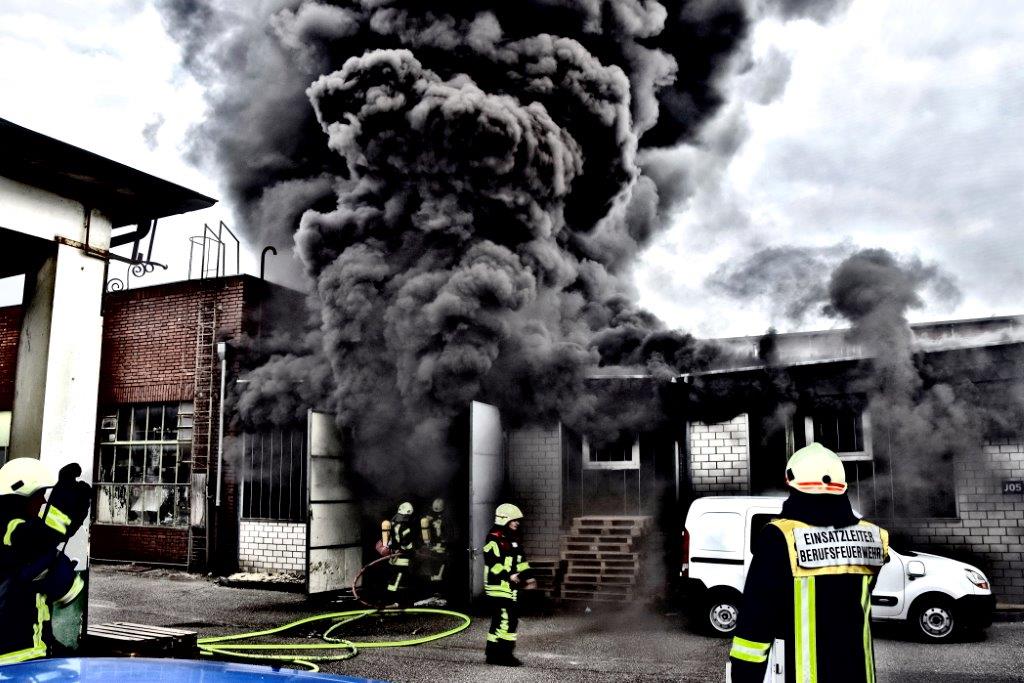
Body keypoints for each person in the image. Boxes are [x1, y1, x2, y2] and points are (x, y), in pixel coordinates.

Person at [728, 442, 889, 683]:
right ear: (841, 486)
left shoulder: (779, 538)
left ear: (789, 481)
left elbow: (755, 626)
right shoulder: (873, 536)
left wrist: (745, 677)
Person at [0, 458, 91, 665]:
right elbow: (35, 539)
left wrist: (72, 517)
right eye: (39, 495)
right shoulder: (6, 526)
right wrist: (63, 505)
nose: (42, 502)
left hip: (30, 659)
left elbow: (44, 538)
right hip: (9, 665)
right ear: (21, 495)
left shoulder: (25, 532)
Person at [483, 503, 536, 667]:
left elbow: (521, 562)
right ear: (505, 519)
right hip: (498, 585)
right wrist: (508, 575)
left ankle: (492, 654)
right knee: (507, 619)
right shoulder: (494, 537)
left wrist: (529, 577)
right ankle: (504, 655)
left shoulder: (513, 538)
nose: (517, 523)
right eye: (514, 520)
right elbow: (492, 562)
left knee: (501, 620)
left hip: (510, 586)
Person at [386, 501, 416, 602]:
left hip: (392, 555)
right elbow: (406, 543)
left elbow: (390, 540)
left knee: (393, 577)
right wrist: (413, 549)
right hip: (402, 557)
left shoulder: (392, 523)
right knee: (400, 577)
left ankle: (392, 598)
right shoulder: (405, 527)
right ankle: (397, 600)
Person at [420, 498, 449, 594]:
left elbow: (447, 536)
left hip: (441, 547)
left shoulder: (445, 520)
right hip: (433, 548)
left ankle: (437, 592)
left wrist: (439, 529)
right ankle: (433, 592)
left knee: (439, 572)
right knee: (433, 572)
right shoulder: (430, 517)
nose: (435, 513)